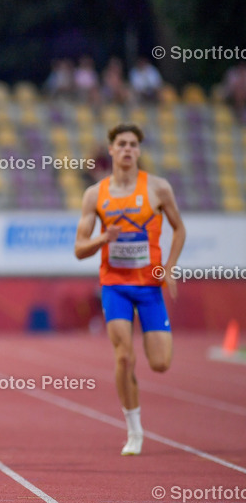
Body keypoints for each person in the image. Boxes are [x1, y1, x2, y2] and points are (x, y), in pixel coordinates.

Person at [75, 123, 185, 456]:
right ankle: (134, 430)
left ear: (139, 150)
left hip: (149, 286)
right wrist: (101, 239)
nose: (127, 149)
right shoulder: (96, 194)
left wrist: (169, 268)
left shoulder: (158, 188)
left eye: (133, 144)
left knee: (161, 363)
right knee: (124, 357)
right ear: (110, 150)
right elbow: (80, 248)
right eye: (121, 144)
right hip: (115, 286)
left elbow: (179, 230)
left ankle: (135, 423)